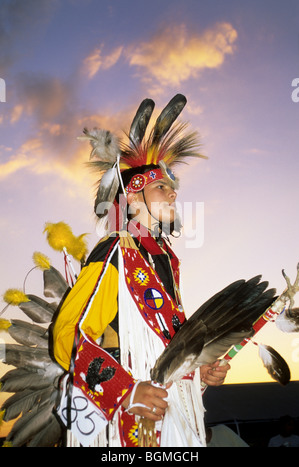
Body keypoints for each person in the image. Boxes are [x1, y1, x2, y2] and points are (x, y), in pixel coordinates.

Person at [53, 94, 230, 447]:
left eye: (173, 188)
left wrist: (200, 371)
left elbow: (165, 350)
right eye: (161, 187)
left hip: (173, 420)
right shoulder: (116, 252)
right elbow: (68, 334)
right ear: (133, 198)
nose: (173, 194)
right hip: (129, 420)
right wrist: (125, 391)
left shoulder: (164, 260)